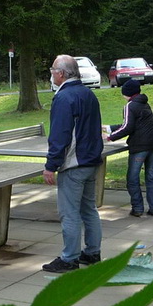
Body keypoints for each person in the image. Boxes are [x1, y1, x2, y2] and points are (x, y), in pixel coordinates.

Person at [42, 55, 104, 273]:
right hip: (91, 162)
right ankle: (92, 252)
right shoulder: (89, 94)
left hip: (73, 164)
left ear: (60, 73)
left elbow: (60, 135)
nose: (51, 74)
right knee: (89, 210)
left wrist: (51, 165)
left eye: (52, 70)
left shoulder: (63, 98)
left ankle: (69, 259)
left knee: (69, 213)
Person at [105, 79, 153, 217]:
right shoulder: (144, 103)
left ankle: (137, 208)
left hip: (140, 147)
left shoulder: (130, 106)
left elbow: (128, 127)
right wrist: (108, 127)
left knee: (132, 178)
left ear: (127, 93)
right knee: (151, 176)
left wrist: (109, 137)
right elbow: (133, 123)